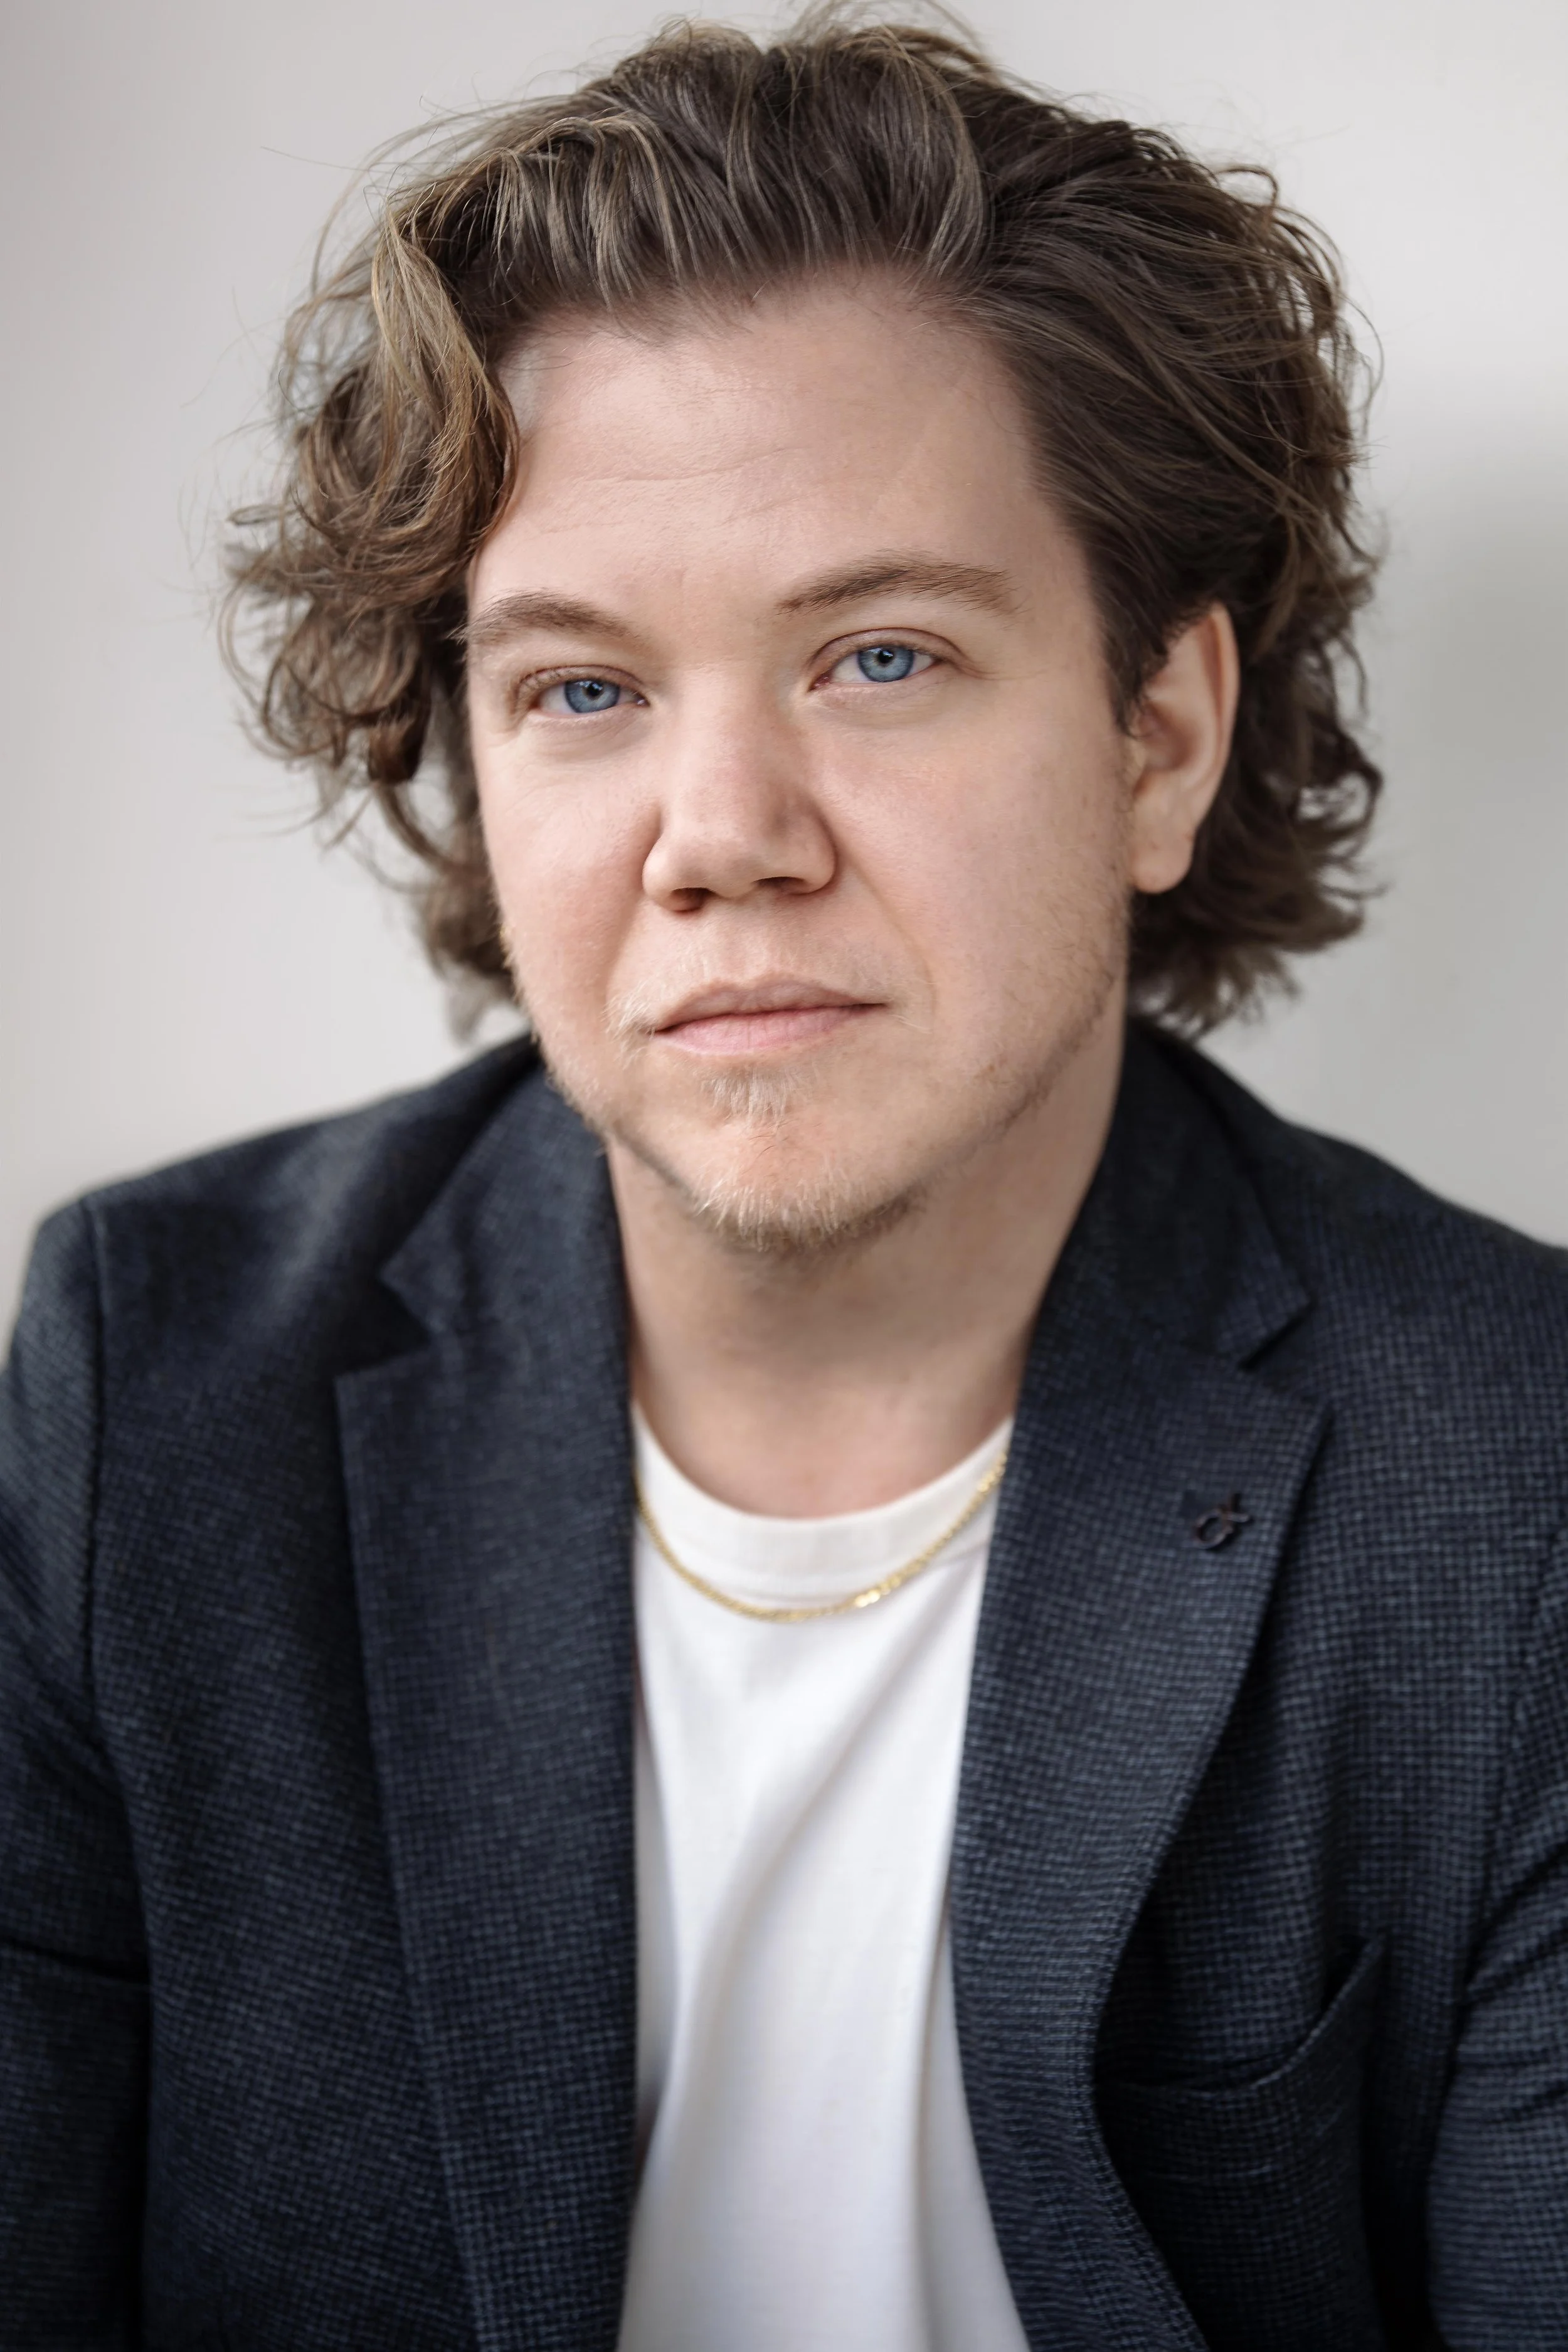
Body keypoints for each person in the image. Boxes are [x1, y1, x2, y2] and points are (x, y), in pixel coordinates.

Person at [2, 14, 1564, 2350]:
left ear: (1158, 738)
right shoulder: (158, 1377)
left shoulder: (1516, 1478)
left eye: (880, 652)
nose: (720, 835)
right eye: (582, 691)